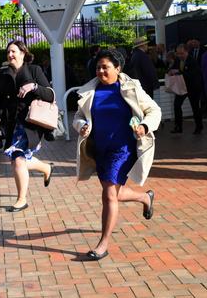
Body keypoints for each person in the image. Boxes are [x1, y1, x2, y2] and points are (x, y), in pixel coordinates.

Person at [73, 49, 161, 260]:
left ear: (118, 68)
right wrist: (81, 126)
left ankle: (103, 244)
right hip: (99, 149)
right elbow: (77, 117)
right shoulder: (90, 91)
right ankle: (144, 197)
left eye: (106, 67)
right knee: (115, 192)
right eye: (98, 67)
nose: (101, 71)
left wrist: (144, 126)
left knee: (109, 195)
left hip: (122, 149)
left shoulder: (131, 88)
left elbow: (154, 110)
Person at [0, 40, 55, 212]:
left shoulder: (35, 70)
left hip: (31, 123)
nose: (10, 55)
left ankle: (21, 199)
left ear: (23, 53)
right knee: (19, 159)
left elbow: (49, 94)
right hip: (12, 123)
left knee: (17, 160)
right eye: (8, 52)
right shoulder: (2, 75)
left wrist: (34, 87)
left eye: (13, 51)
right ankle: (46, 167)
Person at [168, 44, 203, 134]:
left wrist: (179, 72)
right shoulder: (177, 60)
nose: (180, 56)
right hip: (181, 87)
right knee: (177, 105)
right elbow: (173, 69)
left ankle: (199, 127)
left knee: (195, 107)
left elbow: (192, 75)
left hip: (193, 87)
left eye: (182, 53)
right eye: (178, 53)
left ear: (187, 52)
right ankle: (178, 126)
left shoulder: (192, 61)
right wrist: (171, 71)